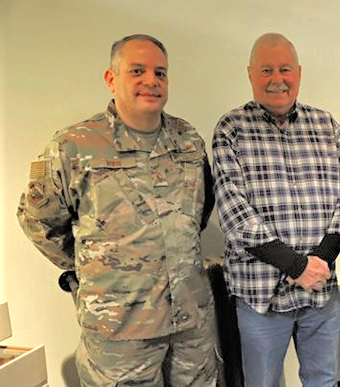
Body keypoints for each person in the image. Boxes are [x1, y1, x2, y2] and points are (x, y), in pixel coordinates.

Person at [17, 34, 217, 386]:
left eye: (160, 73)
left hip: (191, 321)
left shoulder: (188, 139)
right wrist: (93, 269)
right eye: (137, 71)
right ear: (111, 79)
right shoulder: (75, 146)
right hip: (120, 331)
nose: (151, 81)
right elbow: (39, 222)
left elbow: (200, 211)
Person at [212, 33, 340, 387]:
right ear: (250, 74)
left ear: (299, 73)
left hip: (320, 289)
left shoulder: (326, 126)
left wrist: (319, 261)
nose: (277, 78)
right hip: (261, 295)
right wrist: (296, 265)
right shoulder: (231, 129)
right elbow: (234, 214)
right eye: (266, 69)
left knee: (323, 381)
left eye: (285, 69)